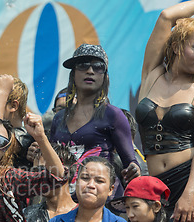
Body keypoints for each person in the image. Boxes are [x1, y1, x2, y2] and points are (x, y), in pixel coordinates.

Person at [135, 0, 194, 222]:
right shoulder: (152, 76)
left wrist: (190, 193)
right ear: (176, 47)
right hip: (153, 184)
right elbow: (165, 16)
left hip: (188, 180)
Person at [50, 44, 140, 192]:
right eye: (83, 65)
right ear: (73, 74)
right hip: (63, 201)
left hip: (99, 201)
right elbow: (51, 163)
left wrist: (133, 169)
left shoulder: (113, 115)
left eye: (98, 67)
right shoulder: (58, 118)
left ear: (105, 77)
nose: (90, 71)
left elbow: (131, 162)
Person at [23, 143, 77, 222]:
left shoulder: (86, 216)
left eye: (42, 171)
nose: (37, 177)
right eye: (34, 172)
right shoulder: (27, 215)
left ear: (64, 171)